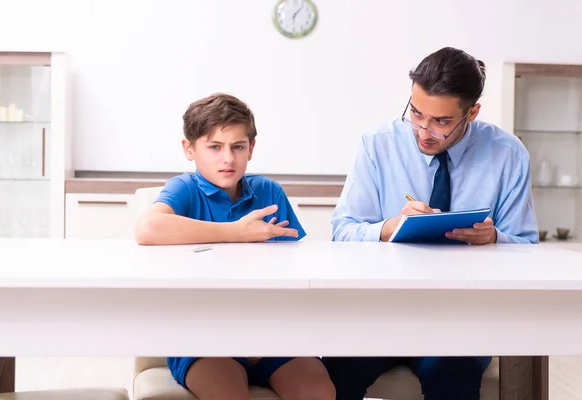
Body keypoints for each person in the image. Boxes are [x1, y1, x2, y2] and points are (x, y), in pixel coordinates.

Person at [323, 47, 539, 399]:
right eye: (416, 113)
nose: (423, 131)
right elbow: (342, 232)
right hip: (381, 311)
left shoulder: (508, 155)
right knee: (336, 370)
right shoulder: (377, 145)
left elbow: (528, 249)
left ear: (472, 113)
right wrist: (387, 227)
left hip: (462, 317)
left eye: (441, 122)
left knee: (452, 373)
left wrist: (495, 237)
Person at [135, 93, 335, 400]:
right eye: (214, 147)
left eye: (237, 147)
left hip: (270, 335)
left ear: (251, 149)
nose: (228, 159)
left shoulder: (269, 192)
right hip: (204, 340)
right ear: (189, 149)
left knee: (319, 391)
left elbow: (294, 268)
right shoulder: (185, 189)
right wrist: (236, 232)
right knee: (228, 394)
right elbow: (147, 228)